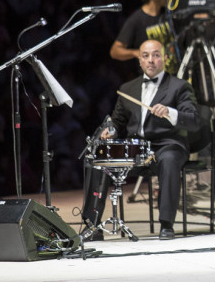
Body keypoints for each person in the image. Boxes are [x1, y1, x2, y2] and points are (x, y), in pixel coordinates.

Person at [81, 40, 200, 240]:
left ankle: (166, 224)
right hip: (135, 150)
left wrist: (170, 112)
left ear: (165, 58)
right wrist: (111, 131)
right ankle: (93, 225)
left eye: (156, 55)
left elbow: (194, 121)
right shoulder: (127, 88)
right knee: (98, 159)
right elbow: (118, 122)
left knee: (169, 160)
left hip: (167, 145)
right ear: (139, 60)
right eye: (146, 56)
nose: (151, 60)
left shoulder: (179, 86)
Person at [110, 0, 178, 74]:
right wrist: (135, 52)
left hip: (172, 78)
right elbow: (115, 51)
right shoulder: (137, 19)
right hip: (152, 82)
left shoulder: (167, 15)